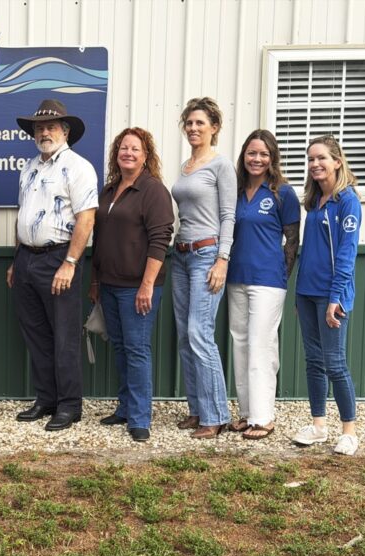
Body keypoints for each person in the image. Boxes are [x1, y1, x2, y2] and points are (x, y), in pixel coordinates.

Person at [8, 98, 98, 432]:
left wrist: (70, 263)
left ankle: (70, 406)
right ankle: (46, 399)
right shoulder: (30, 167)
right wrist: (16, 260)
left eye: (50, 127)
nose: (44, 132)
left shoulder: (78, 167)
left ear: (65, 131)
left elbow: (86, 219)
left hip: (60, 258)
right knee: (37, 336)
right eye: (39, 128)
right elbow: (24, 215)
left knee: (65, 337)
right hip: (27, 260)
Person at [89, 128, 174, 442]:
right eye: (123, 148)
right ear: (117, 154)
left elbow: (160, 240)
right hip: (109, 285)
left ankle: (140, 418)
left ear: (145, 155)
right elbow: (100, 240)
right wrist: (96, 280)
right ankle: (125, 408)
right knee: (122, 348)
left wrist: (147, 285)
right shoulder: (110, 190)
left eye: (135, 149)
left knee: (137, 350)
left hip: (137, 287)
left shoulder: (153, 191)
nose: (128, 153)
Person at [226, 130, 300, 440]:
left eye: (263, 154)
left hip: (268, 281)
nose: (257, 159)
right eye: (252, 153)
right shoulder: (237, 191)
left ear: (272, 158)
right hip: (236, 278)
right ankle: (246, 413)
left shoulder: (283, 193)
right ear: (244, 156)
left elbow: (292, 240)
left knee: (261, 345)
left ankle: (263, 417)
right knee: (241, 344)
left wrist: (282, 275)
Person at [170, 97, 236, 439]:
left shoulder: (221, 165)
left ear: (214, 128)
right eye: (189, 123)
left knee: (199, 333)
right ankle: (197, 410)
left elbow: (228, 216)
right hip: (180, 255)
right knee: (185, 335)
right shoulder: (185, 166)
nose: (193, 128)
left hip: (207, 256)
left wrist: (222, 259)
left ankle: (216, 414)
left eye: (200, 123)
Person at [291, 136, 361, 456]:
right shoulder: (315, 201)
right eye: (310, 159)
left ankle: (349, 430)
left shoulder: (347, 201)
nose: (315, 164)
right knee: (314, 362)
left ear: (337, 161)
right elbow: (310, 253)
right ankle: (318, 426)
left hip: (331, 296)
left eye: (321, 158)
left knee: (335, 364)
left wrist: (336, 298)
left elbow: (346, 255)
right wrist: (298, 295)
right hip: (307, 293)